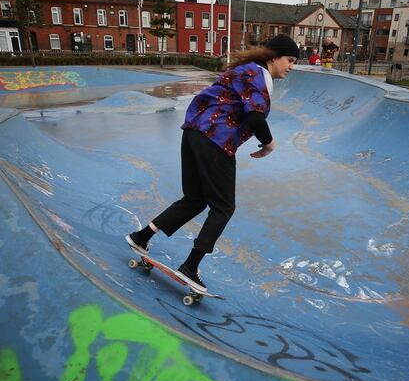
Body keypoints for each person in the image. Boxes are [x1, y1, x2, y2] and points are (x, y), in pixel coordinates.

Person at [126, 34, 299, 292]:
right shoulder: (257, 74)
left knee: (194, 199)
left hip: (194, 134)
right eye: (290, 60)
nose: (291, 66)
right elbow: (255, 117)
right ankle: (190, 267)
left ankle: (141, 237)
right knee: (224, 207)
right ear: (273, 57)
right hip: (215, 141)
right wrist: (269, 143)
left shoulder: (245, 70)